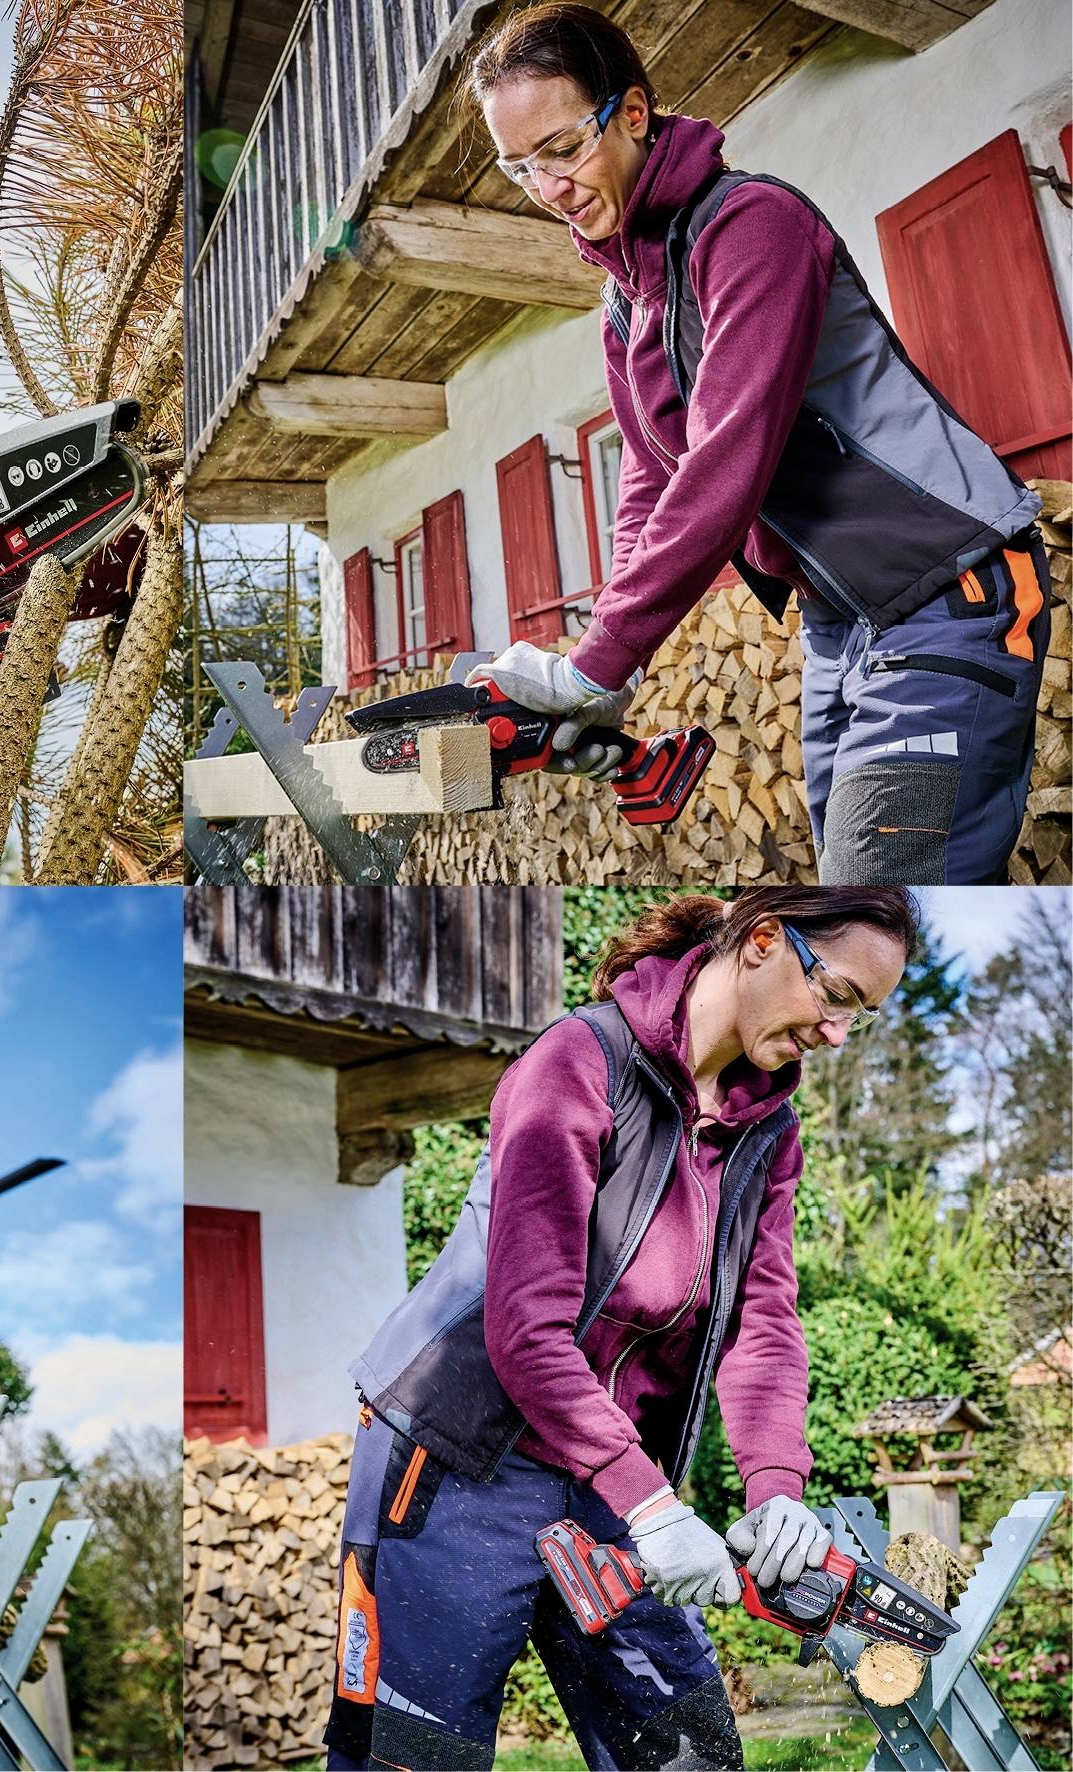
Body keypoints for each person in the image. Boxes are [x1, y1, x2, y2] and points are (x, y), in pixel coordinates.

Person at [326, 887, 917, 1771]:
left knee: (689, 1754)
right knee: (414, 1758)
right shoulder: (579, 1061)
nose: (836, 1034)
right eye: (836, 997)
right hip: (455, 1453)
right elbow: (526, 1328)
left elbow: (764, 1325)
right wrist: (651, 1506)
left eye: (858, 1018)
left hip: (611, 1474)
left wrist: (775, 1487)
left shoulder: (769, 1132)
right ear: (762, 941)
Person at [458, 3, 1048, 885]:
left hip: (946, 593)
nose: (549, 187)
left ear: (632, 112)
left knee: (884, 891)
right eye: (521, 166)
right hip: (837, 626)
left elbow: (726, 463)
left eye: (563, 149)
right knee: (882, 888)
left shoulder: (750, 226)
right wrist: (605, 670)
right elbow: (650, 491)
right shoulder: (627, 309)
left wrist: (599, 662)